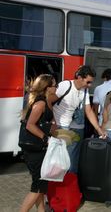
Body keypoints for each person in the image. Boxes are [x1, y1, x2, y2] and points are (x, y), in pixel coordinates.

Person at [51, 65, 103, 174]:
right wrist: (53, 121)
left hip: (70, 127)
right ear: (79, 77)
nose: (90, 85)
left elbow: (88, 111)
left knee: (71, 159)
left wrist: (98, 128)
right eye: (88, 82)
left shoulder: (84, 91)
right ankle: (60, 184)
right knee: (64, 160)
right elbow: (49, 101)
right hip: (60, 126)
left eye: (91, 82)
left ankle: (68, 184)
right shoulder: (65, 85)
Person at [19, 74, 57, 212]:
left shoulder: (46, 101)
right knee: (38, 186)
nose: (56, 88)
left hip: (39, 148)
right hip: (34, 149)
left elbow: (49, 124)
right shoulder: (40, 103)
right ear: (47, 88)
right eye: (54, 85)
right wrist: (45, 138)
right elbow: (30, 125)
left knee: (40, 185)